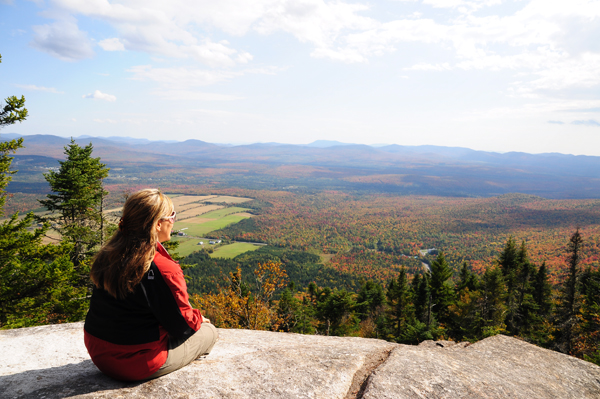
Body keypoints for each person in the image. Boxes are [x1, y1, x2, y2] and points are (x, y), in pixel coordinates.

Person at [84, 188, 218, 381]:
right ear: (157, 224)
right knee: (209, 332)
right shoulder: (162, 268)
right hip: (136, 363)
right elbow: (182, 327)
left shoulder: (108, 254)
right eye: (171, 217)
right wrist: (197, 319)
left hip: (98, 353)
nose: (173, 222)